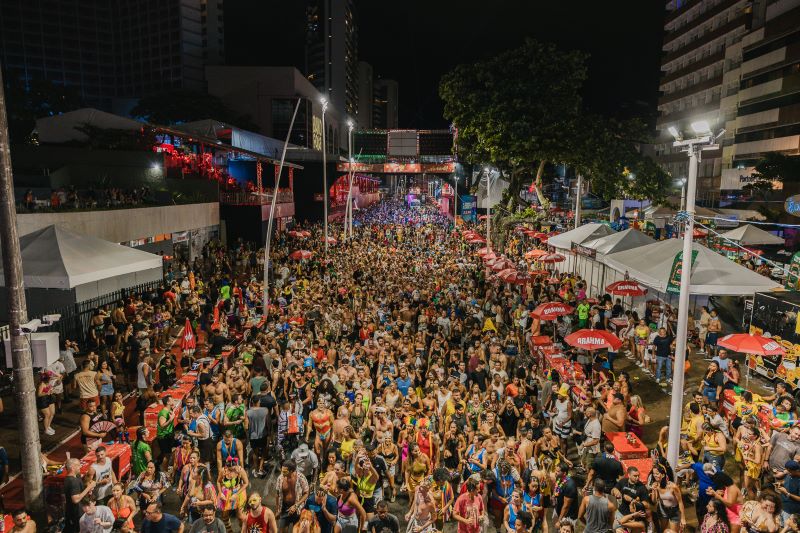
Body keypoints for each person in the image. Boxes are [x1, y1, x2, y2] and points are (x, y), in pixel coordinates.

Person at [276, 459, 310, 533]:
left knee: (297, 530)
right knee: (281, 530)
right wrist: (277, 510)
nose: (282, 473)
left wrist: (296, 505)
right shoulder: (280, 478)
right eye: (282, 470)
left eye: (285, 471)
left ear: (291, 471)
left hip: (298, 509)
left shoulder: (301, 478)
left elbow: (306, 493)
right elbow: (278, 494)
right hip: (284, 508)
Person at [64, 458, 97, 533]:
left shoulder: (71, 478)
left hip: (75, 511)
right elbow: (75, 499)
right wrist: (89, 487)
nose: (80, 467)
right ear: (72, 468)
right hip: (77, 513)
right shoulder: (73, 481)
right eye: (78, 465)